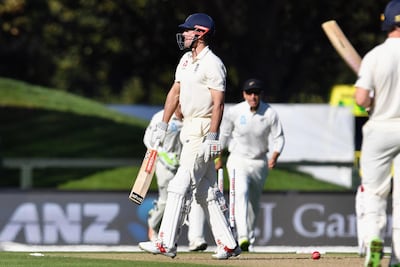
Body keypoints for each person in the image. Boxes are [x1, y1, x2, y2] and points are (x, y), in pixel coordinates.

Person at [138, 13, 240, 260]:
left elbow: (218, 104)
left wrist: (213, 136)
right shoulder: (185, 60)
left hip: (204, 128)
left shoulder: (213, 64)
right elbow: (175, 92)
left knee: (179, 183)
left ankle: (166, 242)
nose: (183, 34)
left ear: (201, 33)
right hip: (188, 127)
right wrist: (163, 125)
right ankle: (228, 244)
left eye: (187, 30)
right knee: (204, 189)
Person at [354, 1, 400, 266]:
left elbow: (361, 99)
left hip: (380, 129)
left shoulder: (374, 56)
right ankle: (398, 257)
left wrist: (370, 101)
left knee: (374, 191)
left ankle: (374, 238)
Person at [216, 78, 285, 252]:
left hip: (259, 162)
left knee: (253, 203)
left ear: (261, 94)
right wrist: (218, 157)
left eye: (256, 93)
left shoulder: (270, 113)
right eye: (249, 93)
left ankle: (249, 239)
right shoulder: (235, 111)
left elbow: (279, 137)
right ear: (244, 94)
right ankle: (243, 236)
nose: (253, 96)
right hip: (237, 159)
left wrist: (275, 155)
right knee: (241, 193)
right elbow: (224, 134)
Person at [143, 107, 183, 241]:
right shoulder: (160, 116)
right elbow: (148, 139)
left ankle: (169, 235)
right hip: (163, 164)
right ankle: (153, 224)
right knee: (165, 200)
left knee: (181, 201)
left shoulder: (191, 117)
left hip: (183, 164)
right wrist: (163, 154)